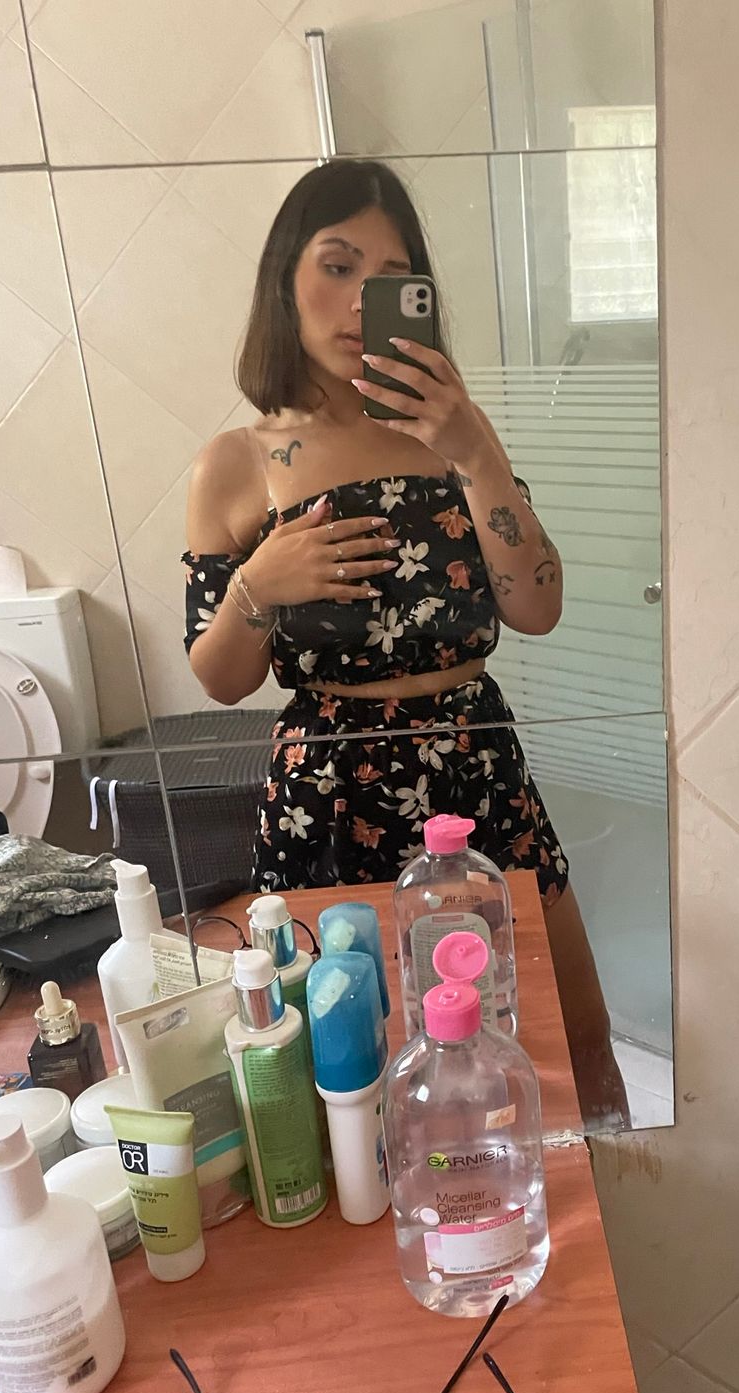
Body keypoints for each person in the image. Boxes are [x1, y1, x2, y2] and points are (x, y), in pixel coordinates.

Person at [183, 159, 627, 1127]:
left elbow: (537, 604)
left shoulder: (452, 435)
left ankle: (577, 1211)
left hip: (479, 772)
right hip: (330, 796)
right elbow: (219, 677)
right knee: (361, 1065)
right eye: (337, 266)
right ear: (284, 282)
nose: (359, 302)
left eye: (389, 279)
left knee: (566, 1038)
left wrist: (476, 450)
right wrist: (259, 585)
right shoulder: (238, 463)